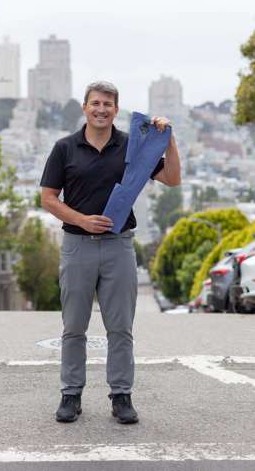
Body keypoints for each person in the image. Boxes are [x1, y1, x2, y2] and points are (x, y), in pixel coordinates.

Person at [40, 81, 181, 424]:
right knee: (74, 326)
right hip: (77, 246)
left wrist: (169, 139)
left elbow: (173, 179)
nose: (101, 109)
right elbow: (47, 198)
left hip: (120, 246)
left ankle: (121, 396)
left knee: (120, 327)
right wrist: (82, 221)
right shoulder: (64, 148)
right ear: (85, 108)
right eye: (95, 103)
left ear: (116, 110)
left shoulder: (134, 147)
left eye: (108, 104)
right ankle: (70, 395)